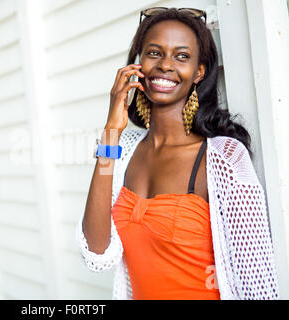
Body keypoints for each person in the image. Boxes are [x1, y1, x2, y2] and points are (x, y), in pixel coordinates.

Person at [77, 7, 279, 300]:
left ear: (199, 72)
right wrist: (111, 130)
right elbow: (97, 253)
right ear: (137, 65)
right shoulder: (123, 151)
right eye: (154, 53)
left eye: (181, 56)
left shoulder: (222, 158)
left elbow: (258, 286)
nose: (165, 65)